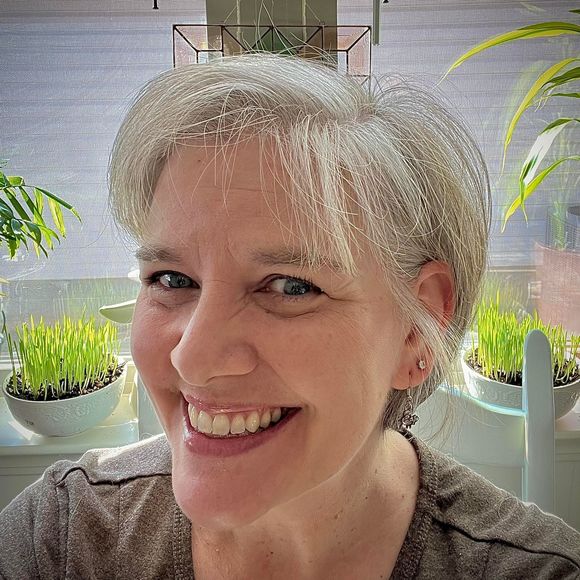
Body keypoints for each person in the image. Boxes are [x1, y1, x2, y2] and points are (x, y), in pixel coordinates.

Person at [1, 54, 579, 579]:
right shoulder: (62, 540)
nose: (193, 359)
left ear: (414, 331)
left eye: (290, 287)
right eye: (171, 279)